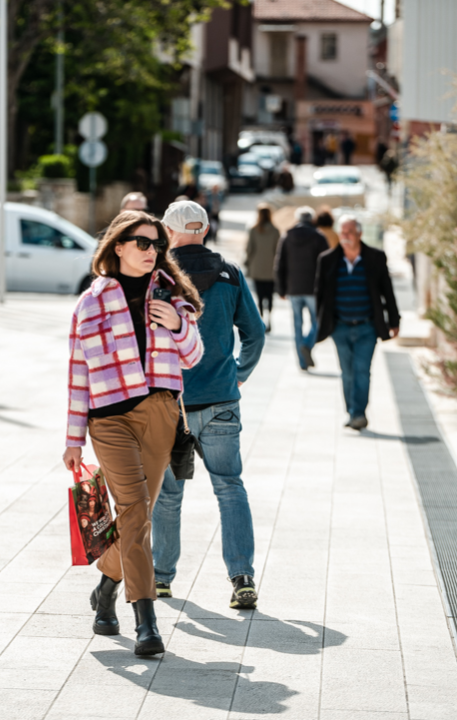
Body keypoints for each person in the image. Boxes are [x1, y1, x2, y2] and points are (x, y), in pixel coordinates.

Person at [63, 210, 204, 656]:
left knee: (134, 518)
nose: (151, 252)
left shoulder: (169, 295)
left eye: (157, 244)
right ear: (118, 247)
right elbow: (78, 372)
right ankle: (146, 621)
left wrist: (178, 324)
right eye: (142, 243)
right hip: (110, 421)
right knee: (135, 509)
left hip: (161, 414)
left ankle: (105, 589)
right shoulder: (90, 303)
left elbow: (194, 357)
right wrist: (72, 437)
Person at [152, 200, 265, 609]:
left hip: (170, 403)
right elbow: (255, 333)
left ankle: (161, 580)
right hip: (221, 399)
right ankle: (243, 579)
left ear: (170, 231)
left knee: (167, 495)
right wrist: (239, 372)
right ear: (204, 228)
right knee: (230, 488)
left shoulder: (158, 278)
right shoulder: (230, 274)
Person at [314, 214, 400, 430]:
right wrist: (321, 322)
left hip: (367, 326)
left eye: (349, 232)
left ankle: (358, 413)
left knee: (362, 371)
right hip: (340, 326)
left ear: (360, 234)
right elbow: (320, 294)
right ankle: (352, 411)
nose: (345, 236)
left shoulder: (375, 258)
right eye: (342, 232)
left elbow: (387, 291)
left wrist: (394, 319)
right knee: (347, 372)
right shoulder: (327, 260)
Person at [275, 206, 329, 371]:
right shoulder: (319, 237)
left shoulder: (287, 236)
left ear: (298, 219)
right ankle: (307, 344)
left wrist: (281, 289)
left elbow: (279, 263)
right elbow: (327, 263)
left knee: (297, 325)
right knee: (317, 321)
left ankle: (302, 361)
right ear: (311, 219)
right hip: (314, 288)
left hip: (293, 288)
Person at [245, 203, 280, 332]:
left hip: (257, 267)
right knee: (270, 295)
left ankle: (261, 319)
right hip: (271, 268)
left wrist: (247, 262)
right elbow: (278, 250)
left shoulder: (254, 230)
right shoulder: (275, 231)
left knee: (259, 296)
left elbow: (249, 249)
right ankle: (269, 319)